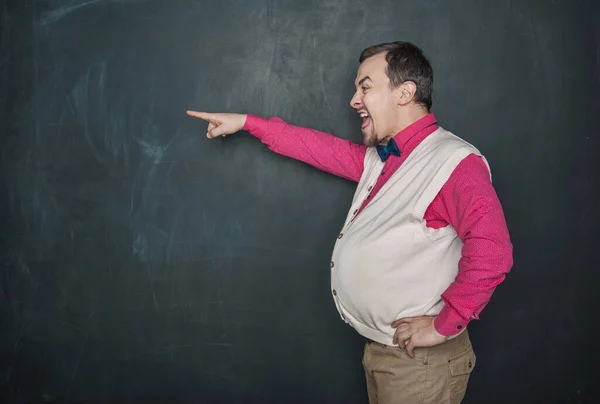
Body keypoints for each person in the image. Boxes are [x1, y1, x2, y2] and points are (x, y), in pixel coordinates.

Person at [187, 41, 513, 404]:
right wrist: (248, 123)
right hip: (385, 353)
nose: (354, 100)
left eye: (365, 86)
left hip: (420, 364)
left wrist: (444, 324)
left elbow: (493, 251)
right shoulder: (384, 158)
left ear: (405, 92)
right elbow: (321, 149)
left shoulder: (455, 162)